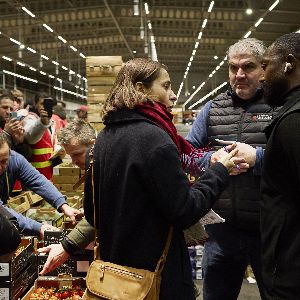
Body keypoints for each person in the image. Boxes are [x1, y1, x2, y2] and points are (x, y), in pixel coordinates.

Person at [83, 58, 241, 299]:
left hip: (113, 276)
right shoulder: (155, 141)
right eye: (166, 86)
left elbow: (91, 212)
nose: (174, 95)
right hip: (155, 277)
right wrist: (219, 171)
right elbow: (185, 211)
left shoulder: (102, 140)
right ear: (140, 89)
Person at [186, 38, 277, 299]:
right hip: (222, 233)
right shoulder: (212, 109)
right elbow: (187, 154)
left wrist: (257, 158)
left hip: (270, 231)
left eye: (247, 67)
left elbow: (293, 157)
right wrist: (212, 161)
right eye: (233, 68)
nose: (239, 75)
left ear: (264, 68)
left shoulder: (280, 106)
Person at [260, 32, 300, 299]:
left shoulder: (294, 121)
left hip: (291, 272)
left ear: (288, 63)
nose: (262, 76)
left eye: (265, 65)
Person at [38, 119, 96, 275]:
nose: (74, 161)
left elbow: (103, 214)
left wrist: (67, 246)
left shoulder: (103, 169)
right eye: (70, 156)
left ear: (93, 143)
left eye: (77, 154)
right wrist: (89, 211)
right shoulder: (94, 166)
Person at [0, 133, 82, 237]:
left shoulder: (14, 159)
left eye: (4, 161)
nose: (0, 167)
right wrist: (38, 227)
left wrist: (63, 205)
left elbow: (38, 181)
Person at [22, 93, 59, 179]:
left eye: (48, 104)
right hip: (33, 174)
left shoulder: (52, 122)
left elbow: (52, 142)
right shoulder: (29, 119)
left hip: (48, 172)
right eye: (42, 103)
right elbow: (30, 137)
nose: (44, 107)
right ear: (35, 104)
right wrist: (42, 122)